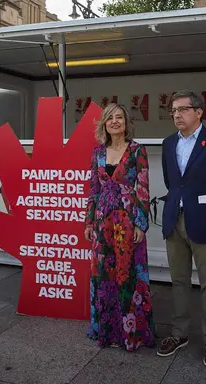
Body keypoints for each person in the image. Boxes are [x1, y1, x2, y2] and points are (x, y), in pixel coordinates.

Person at [156, 90, 206, 368]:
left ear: (199, 112)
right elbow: (172, 182)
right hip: (174, 221)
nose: (177, 115)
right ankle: (179, 334)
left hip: (204, 221)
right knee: (178, 281)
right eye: (173, 111)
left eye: (183, 109)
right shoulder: (168, 144)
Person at [84, 103, 156, 352]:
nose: (115, 121)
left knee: (128, 274)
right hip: (102, 220)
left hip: (127, 219)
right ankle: (106, 330)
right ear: (104, 123)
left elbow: (144, 188)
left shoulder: (137, 151)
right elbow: (93, 188)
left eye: (120, 117)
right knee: (103, 274)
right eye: (110, 118)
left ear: (127, 123)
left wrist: (141, 223)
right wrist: (89, 221)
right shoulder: (97, 153)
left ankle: (131, 333)